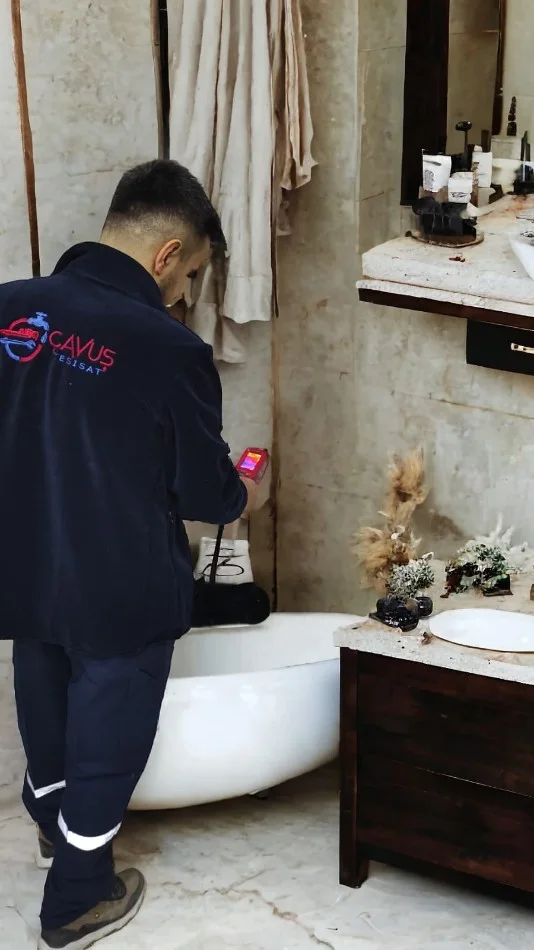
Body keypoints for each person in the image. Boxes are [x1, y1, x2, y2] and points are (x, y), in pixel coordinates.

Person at [0, 160, 256, 950]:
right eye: (192, 275)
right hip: (120, 578)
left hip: (22, 558)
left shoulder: (9, 307)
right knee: (109, 727)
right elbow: (203, 490)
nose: (185, 293)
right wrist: (244, 493)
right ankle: (77, 899)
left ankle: (51, 827)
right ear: (166, 254)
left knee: (41, 678)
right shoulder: (166, 347)